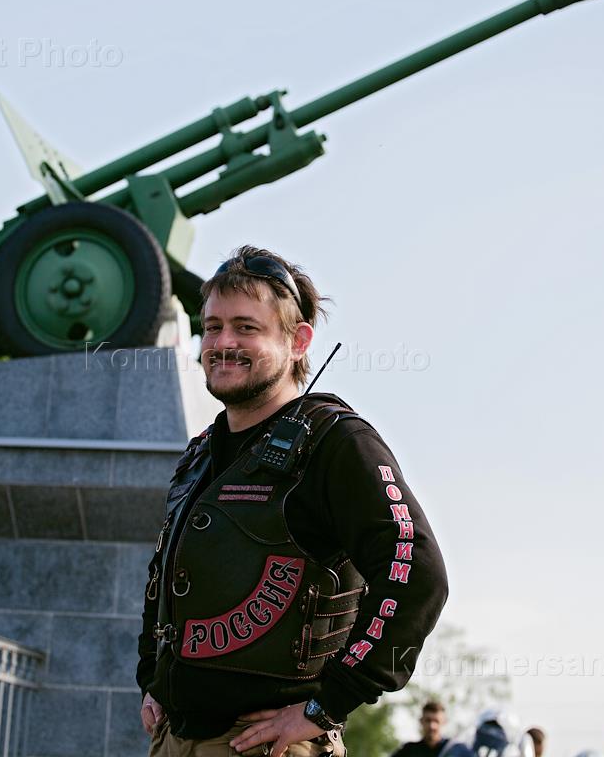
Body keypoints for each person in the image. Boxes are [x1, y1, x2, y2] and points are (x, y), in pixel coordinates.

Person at [136, 245, 449, 757]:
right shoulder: (201, 452)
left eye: (246, 327)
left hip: (268, 744)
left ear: (298, 341)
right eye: (212, 327)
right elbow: (164, 577)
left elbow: (416, 570)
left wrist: (329, 704)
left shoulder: (335, 442)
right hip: (174, 737)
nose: (222, 342)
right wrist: (152, 675)